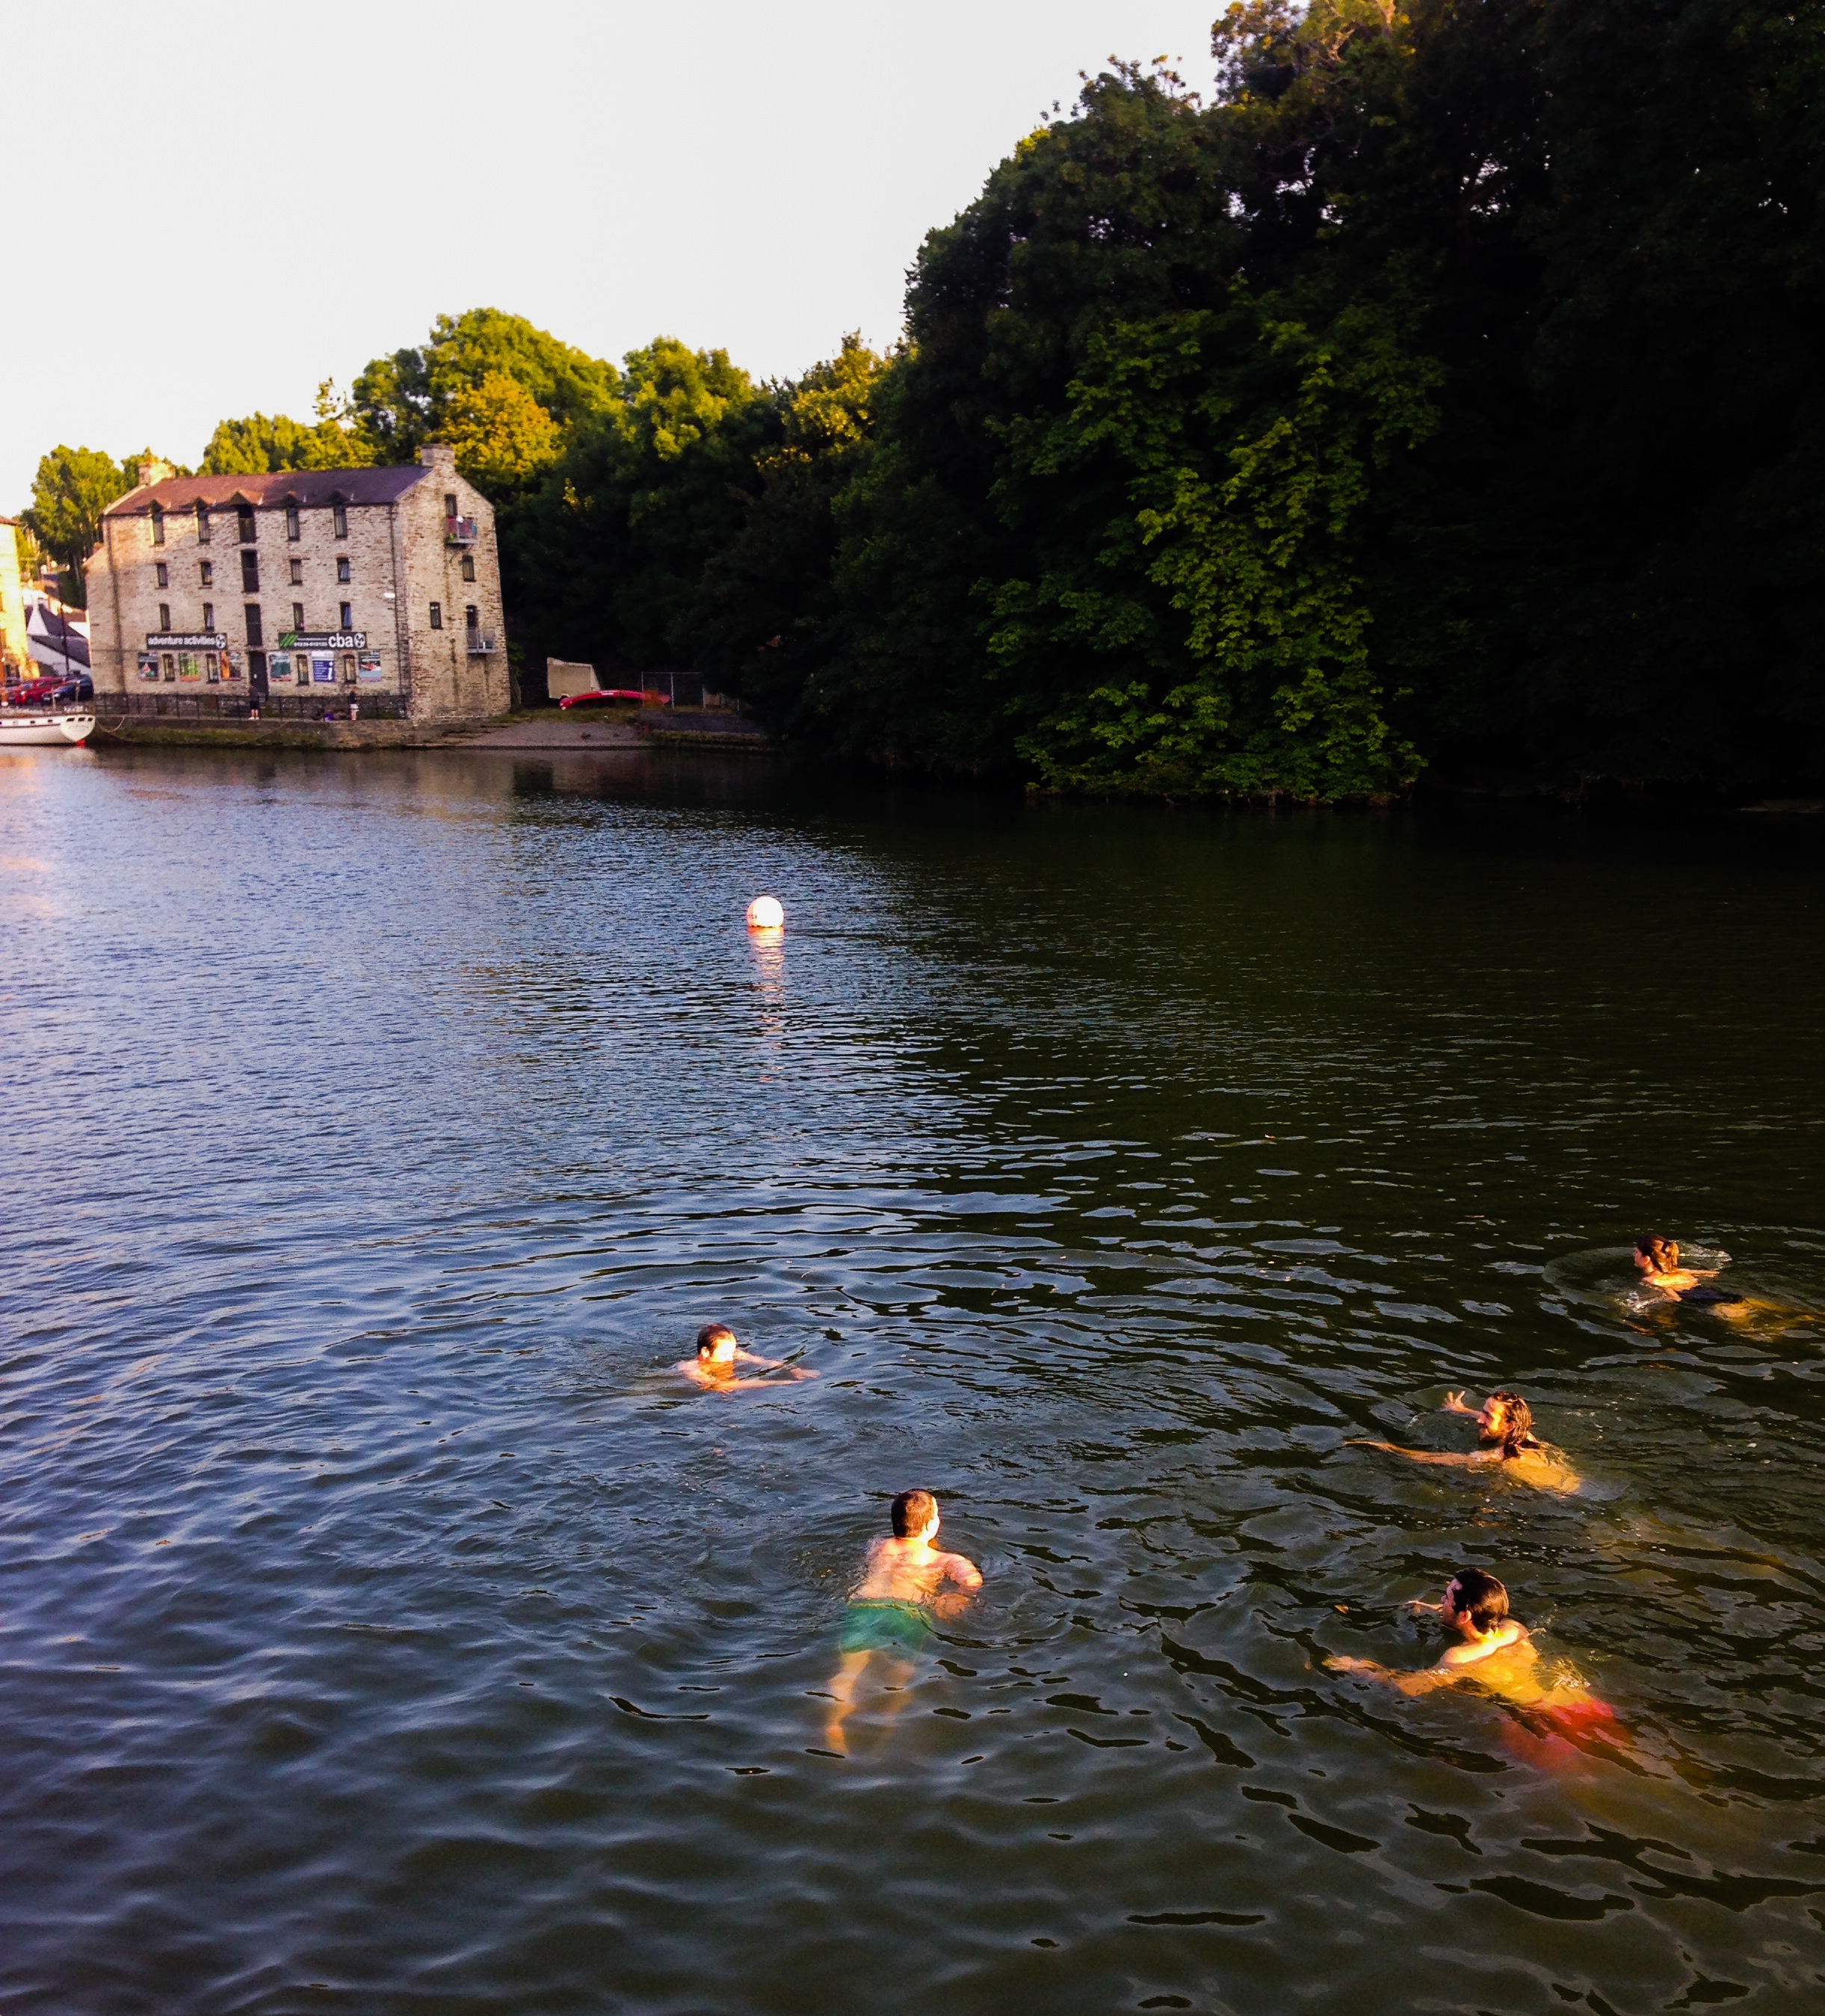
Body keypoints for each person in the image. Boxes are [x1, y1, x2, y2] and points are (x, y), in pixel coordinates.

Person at [1327, 1569, 1623, 1745]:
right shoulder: (1513, 1630)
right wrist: (1432, 1609)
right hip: (1580, 1704)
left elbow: (1412, 1686)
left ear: (1465, 1614)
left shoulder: (1459, 1657)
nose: (1441, 1602)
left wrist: (1360, 1667)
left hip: (1542, 1724)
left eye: (1446, 1599)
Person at [822, 1489, 982, 1755]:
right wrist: (958, 1596)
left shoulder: (877, 1546)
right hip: (906, 1612)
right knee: (900, 1674)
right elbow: (972, 1581)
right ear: (932, 1525)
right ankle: (887, 1723)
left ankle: (833, 1722)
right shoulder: (941, 1559)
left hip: (863, 1606)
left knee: (847, 1671)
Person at [1351, 1390, 1580, 1493]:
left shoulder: (1499, 1455)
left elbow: (1438, 1459)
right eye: (1482, 1411)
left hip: (1566, 1501)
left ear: (1509, 1426)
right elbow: (1494, 1420)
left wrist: (1389, 1448)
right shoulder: (1524, 1436)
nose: (1480, 1419)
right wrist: (1461, 1410)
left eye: (1487, 1416)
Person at [676, 1322, 817, 1391]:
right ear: (706, 1352)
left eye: (732, 1352)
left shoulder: (734, 1354)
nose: (731, 1358)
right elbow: (720, 1386)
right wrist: (777, 1382)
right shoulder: (690, 1368)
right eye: (725, 1354)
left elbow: (763, 1361)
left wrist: (793, 1369)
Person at [1632, 1236, 1744, 1310]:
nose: (1634, 1255)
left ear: (1646, 1259)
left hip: (1707, 1303)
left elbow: (1675, 1298)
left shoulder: (1650, 1280)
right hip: (1720, 1294)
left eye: (1636, 1252)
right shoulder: (1680, 1272)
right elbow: (1712, 1274)